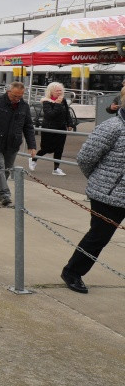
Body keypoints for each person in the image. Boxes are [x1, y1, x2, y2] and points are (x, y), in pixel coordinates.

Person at [60, 85, 125, 294]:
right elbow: (85, 158)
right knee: (98, 237)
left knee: (98, 236)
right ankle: (72, 272)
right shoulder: (112, 127)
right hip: (108, 195)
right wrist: (102, 182)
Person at [0, 81, 37, 208]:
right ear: (8, 91)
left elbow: (28, 126)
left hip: (13, 143)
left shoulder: (24, 106)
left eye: (20, 96)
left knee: (7, 169)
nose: (17, 99)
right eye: (15, 96)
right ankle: (5, 194)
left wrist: (32, 145)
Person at [30, 82, 74, 176]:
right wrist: (57, 104)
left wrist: (70, 123)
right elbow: (50, 115)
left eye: (60, 90)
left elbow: (67, 113)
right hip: (49, 127)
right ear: (51, 91)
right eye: (57, 90)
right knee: (46, 149)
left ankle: (56, 168)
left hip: (61, 127)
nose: (59, 92)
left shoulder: (63, 100)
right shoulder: (46, 101)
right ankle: (34, 159)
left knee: (59, 149)